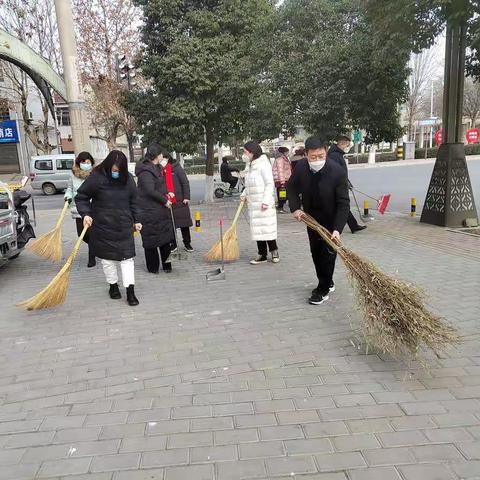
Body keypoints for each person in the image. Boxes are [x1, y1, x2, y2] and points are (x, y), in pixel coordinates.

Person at [287, 136, 350, 305]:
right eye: (313, 157)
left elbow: (344, 204)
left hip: (331, 220)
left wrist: (338, 229)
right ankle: (327, 281)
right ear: (306, 154)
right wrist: (295, 208)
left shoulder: (337, 172)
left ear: (326, 153)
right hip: (311, 219)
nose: (317, 160)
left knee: (327, 255)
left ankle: (322, 290)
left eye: (321, 156)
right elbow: (291, 187)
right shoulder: (301, 167)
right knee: (316, 253)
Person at [76, 150, 141, 307]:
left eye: (119, 170)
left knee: (127, 259)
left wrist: (137, 220)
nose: (116, 173)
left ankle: (130, 291)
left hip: (124, 226)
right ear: (108, 165)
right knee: (108, 260)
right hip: (103, 226)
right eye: (113, 170)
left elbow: (135, 201)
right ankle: (113, 286)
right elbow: (81, 197)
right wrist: (85, 214)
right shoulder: (97, 177)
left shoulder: (128, 179)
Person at [135, 143, 175, 274]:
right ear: (157, 155)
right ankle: (153, 268)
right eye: (161, 154)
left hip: (159, 210)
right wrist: (164, 201)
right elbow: (149, 190)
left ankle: (167, 265)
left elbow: (160, 186)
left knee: (165, 239)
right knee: (151, 240)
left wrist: (167, 193)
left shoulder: (156, 167)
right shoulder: (145, 171)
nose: (163, 156)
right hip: (149, 211)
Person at [241, 141, 279, 264]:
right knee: (258, 230)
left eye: (245, 152)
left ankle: (274, 251)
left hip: (263, 203)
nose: (244, 154)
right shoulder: (249, 165)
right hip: (253, 203)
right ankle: (262, 254)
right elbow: (248, 185)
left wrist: (266, 201)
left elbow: (269, 183)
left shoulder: (263, 164)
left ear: (252, 152)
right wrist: (244, 194)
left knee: (267, 228)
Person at [328, 135, 366, 234]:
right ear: (342, 144)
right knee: (341, 206)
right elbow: (335, 172)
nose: (347, 148)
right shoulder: (334, 155)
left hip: (340, 184)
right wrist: (343, 183)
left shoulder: (337, 154)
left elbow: (341, 172)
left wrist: (347, 182)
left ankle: (353, 226)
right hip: (336, 186)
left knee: (342, 207)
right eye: (347, 145)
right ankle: (343, 227)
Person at [64, 151, 96, 268]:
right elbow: (69, 187)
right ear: (79, 163)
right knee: (81, 235)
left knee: (91, 234)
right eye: (83, 162)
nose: (86, 164)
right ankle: (97, 246)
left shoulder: (95, 174)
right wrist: (67, 195)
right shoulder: (73, 174)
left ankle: (92, 257)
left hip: (92, 209)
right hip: (78, 210)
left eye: (88, 162)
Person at [165, 154, 194, 252]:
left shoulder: (177, 168)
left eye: (163, 158)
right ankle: (173, 244)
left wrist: (186, 197)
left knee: (184, 223)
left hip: (180, 201)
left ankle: (187, 243)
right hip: (168, 201)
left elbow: (185, 182)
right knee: (171, 225)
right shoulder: (160, 169)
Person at [272, 146, 292, 213]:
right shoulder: (280, 159)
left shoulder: (284, 158)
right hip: (281, 180)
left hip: (284, 179)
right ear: (284, 152)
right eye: (287, 152)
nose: (288, 153)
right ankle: (280, 207)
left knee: (283, 194)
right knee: (282, 194)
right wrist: (282, 182)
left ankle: (280, 207)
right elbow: (280, 171)